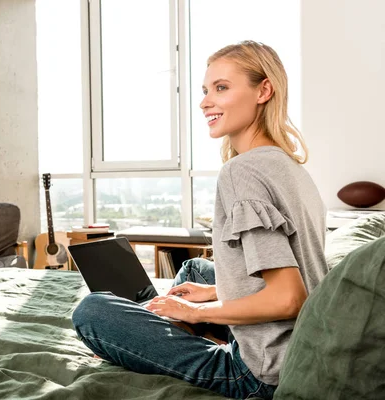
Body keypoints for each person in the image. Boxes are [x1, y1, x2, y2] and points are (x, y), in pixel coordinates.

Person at [72, 40, 328, 400]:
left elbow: (288, 298)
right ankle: (169, 323)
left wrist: (195, 311)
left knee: (92, 310)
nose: (205, 101)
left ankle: (169, 330)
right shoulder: (291, 167)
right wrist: (207, 295)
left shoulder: (243, 172)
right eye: (206, 90)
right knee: (195, 270)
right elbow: (297, 275)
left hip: (261, 373)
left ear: (263, 90)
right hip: (304, 349)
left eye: (221, 88)